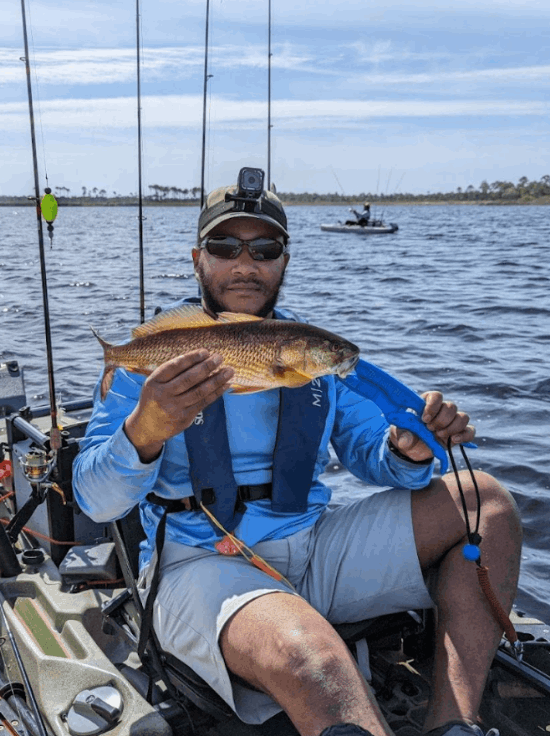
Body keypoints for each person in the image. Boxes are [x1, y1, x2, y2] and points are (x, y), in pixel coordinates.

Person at [73, 168, 522, 736]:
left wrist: (407, 448)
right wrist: (145, 430)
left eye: (265, 248)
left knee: (487, 501)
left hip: (312, 550)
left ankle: (455, 723)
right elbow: (95, 500)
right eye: (224, 246)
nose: (245, 263)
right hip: (203, 564)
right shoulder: (156, 363)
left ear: (284, 260)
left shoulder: (310, 355)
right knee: (317, 657)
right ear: (197, 259)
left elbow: (373, 456)